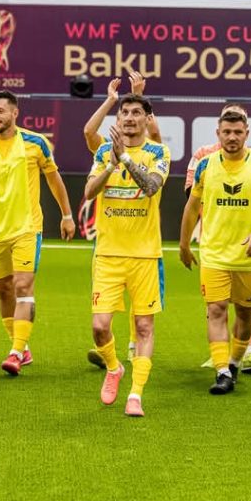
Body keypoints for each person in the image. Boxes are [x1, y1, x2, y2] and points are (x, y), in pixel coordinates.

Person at [179, 109, 251, 395]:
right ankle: (222, 370)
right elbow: (192, 208)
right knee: (216, 309)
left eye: (237, 132)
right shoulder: (205, 165)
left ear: (247, 133)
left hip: (248, 256)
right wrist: (184, 245)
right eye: (227, 132)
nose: (232, 137)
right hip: (213, 253)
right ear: (218, 134)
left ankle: (235, 362)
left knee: (245, 314)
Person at [0, 90, 75, 375]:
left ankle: (16, 352)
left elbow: (54, 179)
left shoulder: (36, 143)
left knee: (22, 286)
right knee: (3, 289)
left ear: (15, 113)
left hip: (27, 228)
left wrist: (67, 215)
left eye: (0, 111)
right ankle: (20, 345)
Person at [85, 94, 169, 417]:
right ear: (118, 120)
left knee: (144, 326)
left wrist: (126, 160)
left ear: (147, 119)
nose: (130, 118)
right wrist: (111, 163)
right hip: (108, 254)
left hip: (145, 256)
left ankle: (136, 394)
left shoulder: (158, 152)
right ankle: (113, 367)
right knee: (99, 327)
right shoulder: (104, 152)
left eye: (136, 112)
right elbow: (89, 192)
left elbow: (151, 187)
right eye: (125, 113)